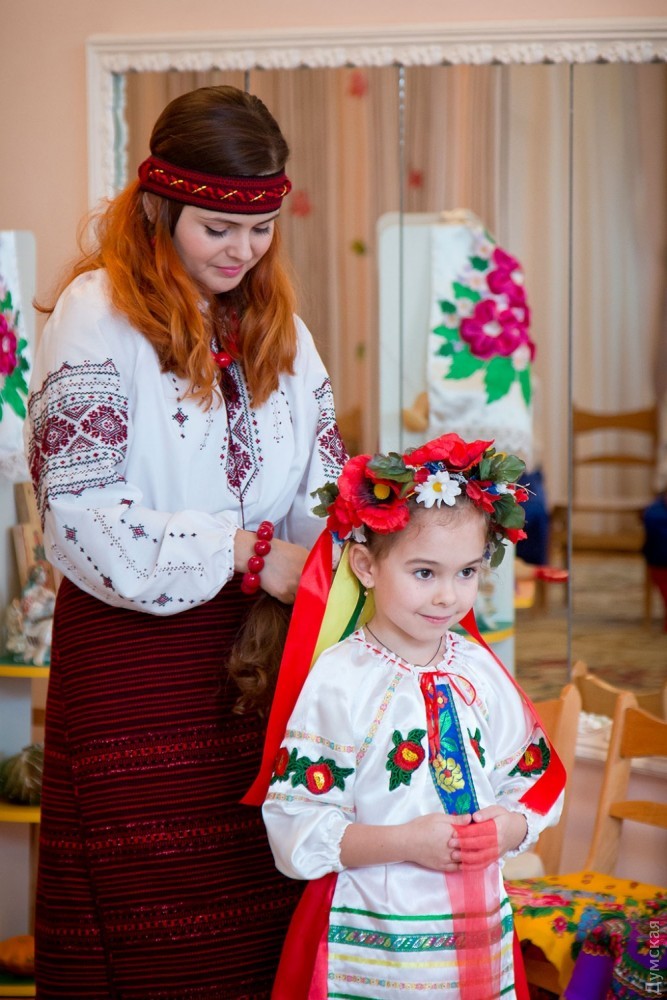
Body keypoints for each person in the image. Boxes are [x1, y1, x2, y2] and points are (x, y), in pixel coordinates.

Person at [25, 85, 346, 1000]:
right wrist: (250, 555)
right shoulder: (96, 312)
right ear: (159, 207)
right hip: (136, 661)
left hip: (262, 663)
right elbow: (80, 515)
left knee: (264, 910)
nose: (242, 251)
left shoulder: (283, 329)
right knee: (149, 921)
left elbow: (323, 489)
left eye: (261, 228)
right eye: (217, 228)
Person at [261, 432, 565, 999]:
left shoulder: (479, 669)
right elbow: (294, 825)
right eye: (425, 573)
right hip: (371, 943)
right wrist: (405, 842)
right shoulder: (341, 678)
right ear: (365, 566)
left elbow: (534, 780)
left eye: (467, 572)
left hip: (474, 940)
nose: (448, 596)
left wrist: (510, 827)